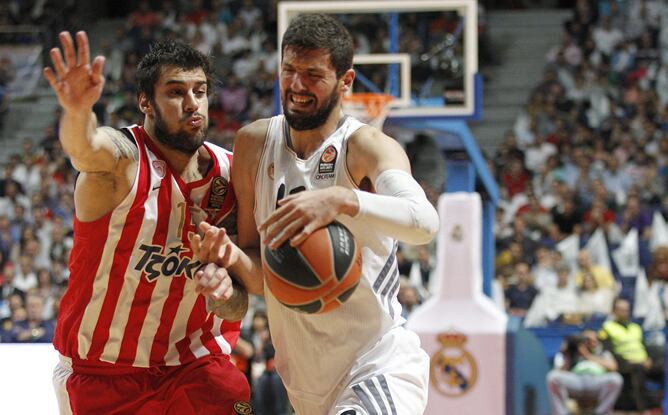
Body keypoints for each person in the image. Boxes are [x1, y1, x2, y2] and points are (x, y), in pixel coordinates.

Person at [193, 13, 439, 415]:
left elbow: (425, 222)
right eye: (289, 70)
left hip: (378, 365)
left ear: (346, 81)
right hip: (306, 382)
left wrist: (341, 199)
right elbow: (261, 276)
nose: (296, 85)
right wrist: (228, 259)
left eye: (313, 74)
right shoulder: (254, 144)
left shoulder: (368, 147)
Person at [43, 31, 255, 414]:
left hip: (196, 365)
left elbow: (238, 307)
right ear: (146, 102)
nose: (192, 103)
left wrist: (224, 292)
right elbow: (86, 148)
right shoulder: (122, 162)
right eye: (176, 92)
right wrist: (76, 113)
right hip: (104, 371)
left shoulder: (231, 174)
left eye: (200, 91)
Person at [598, 297, 660, 411]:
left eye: (626, 310)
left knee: (662, 365)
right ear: (614, 311)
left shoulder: (636, 327)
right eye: (621, 310)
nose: (624, 312)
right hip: (623, 363)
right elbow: (608, 351)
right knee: (637, 368)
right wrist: (627, 361)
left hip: (643, 361)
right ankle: (642, 409)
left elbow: (643, 346)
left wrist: (649, 359)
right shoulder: (607, 327)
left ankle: (661, 405)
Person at [546, 330, 623, 415]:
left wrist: (587, 355)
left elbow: (613, 367)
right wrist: (566, 352)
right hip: (576, 381)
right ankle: (561, 413)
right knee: (552, 377)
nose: (589, 342)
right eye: (586, 339)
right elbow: (561, 370)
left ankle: (602, 412)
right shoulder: (573, 352)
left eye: (592, 339)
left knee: (616, 379)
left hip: (597, 381)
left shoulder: (603, 352)